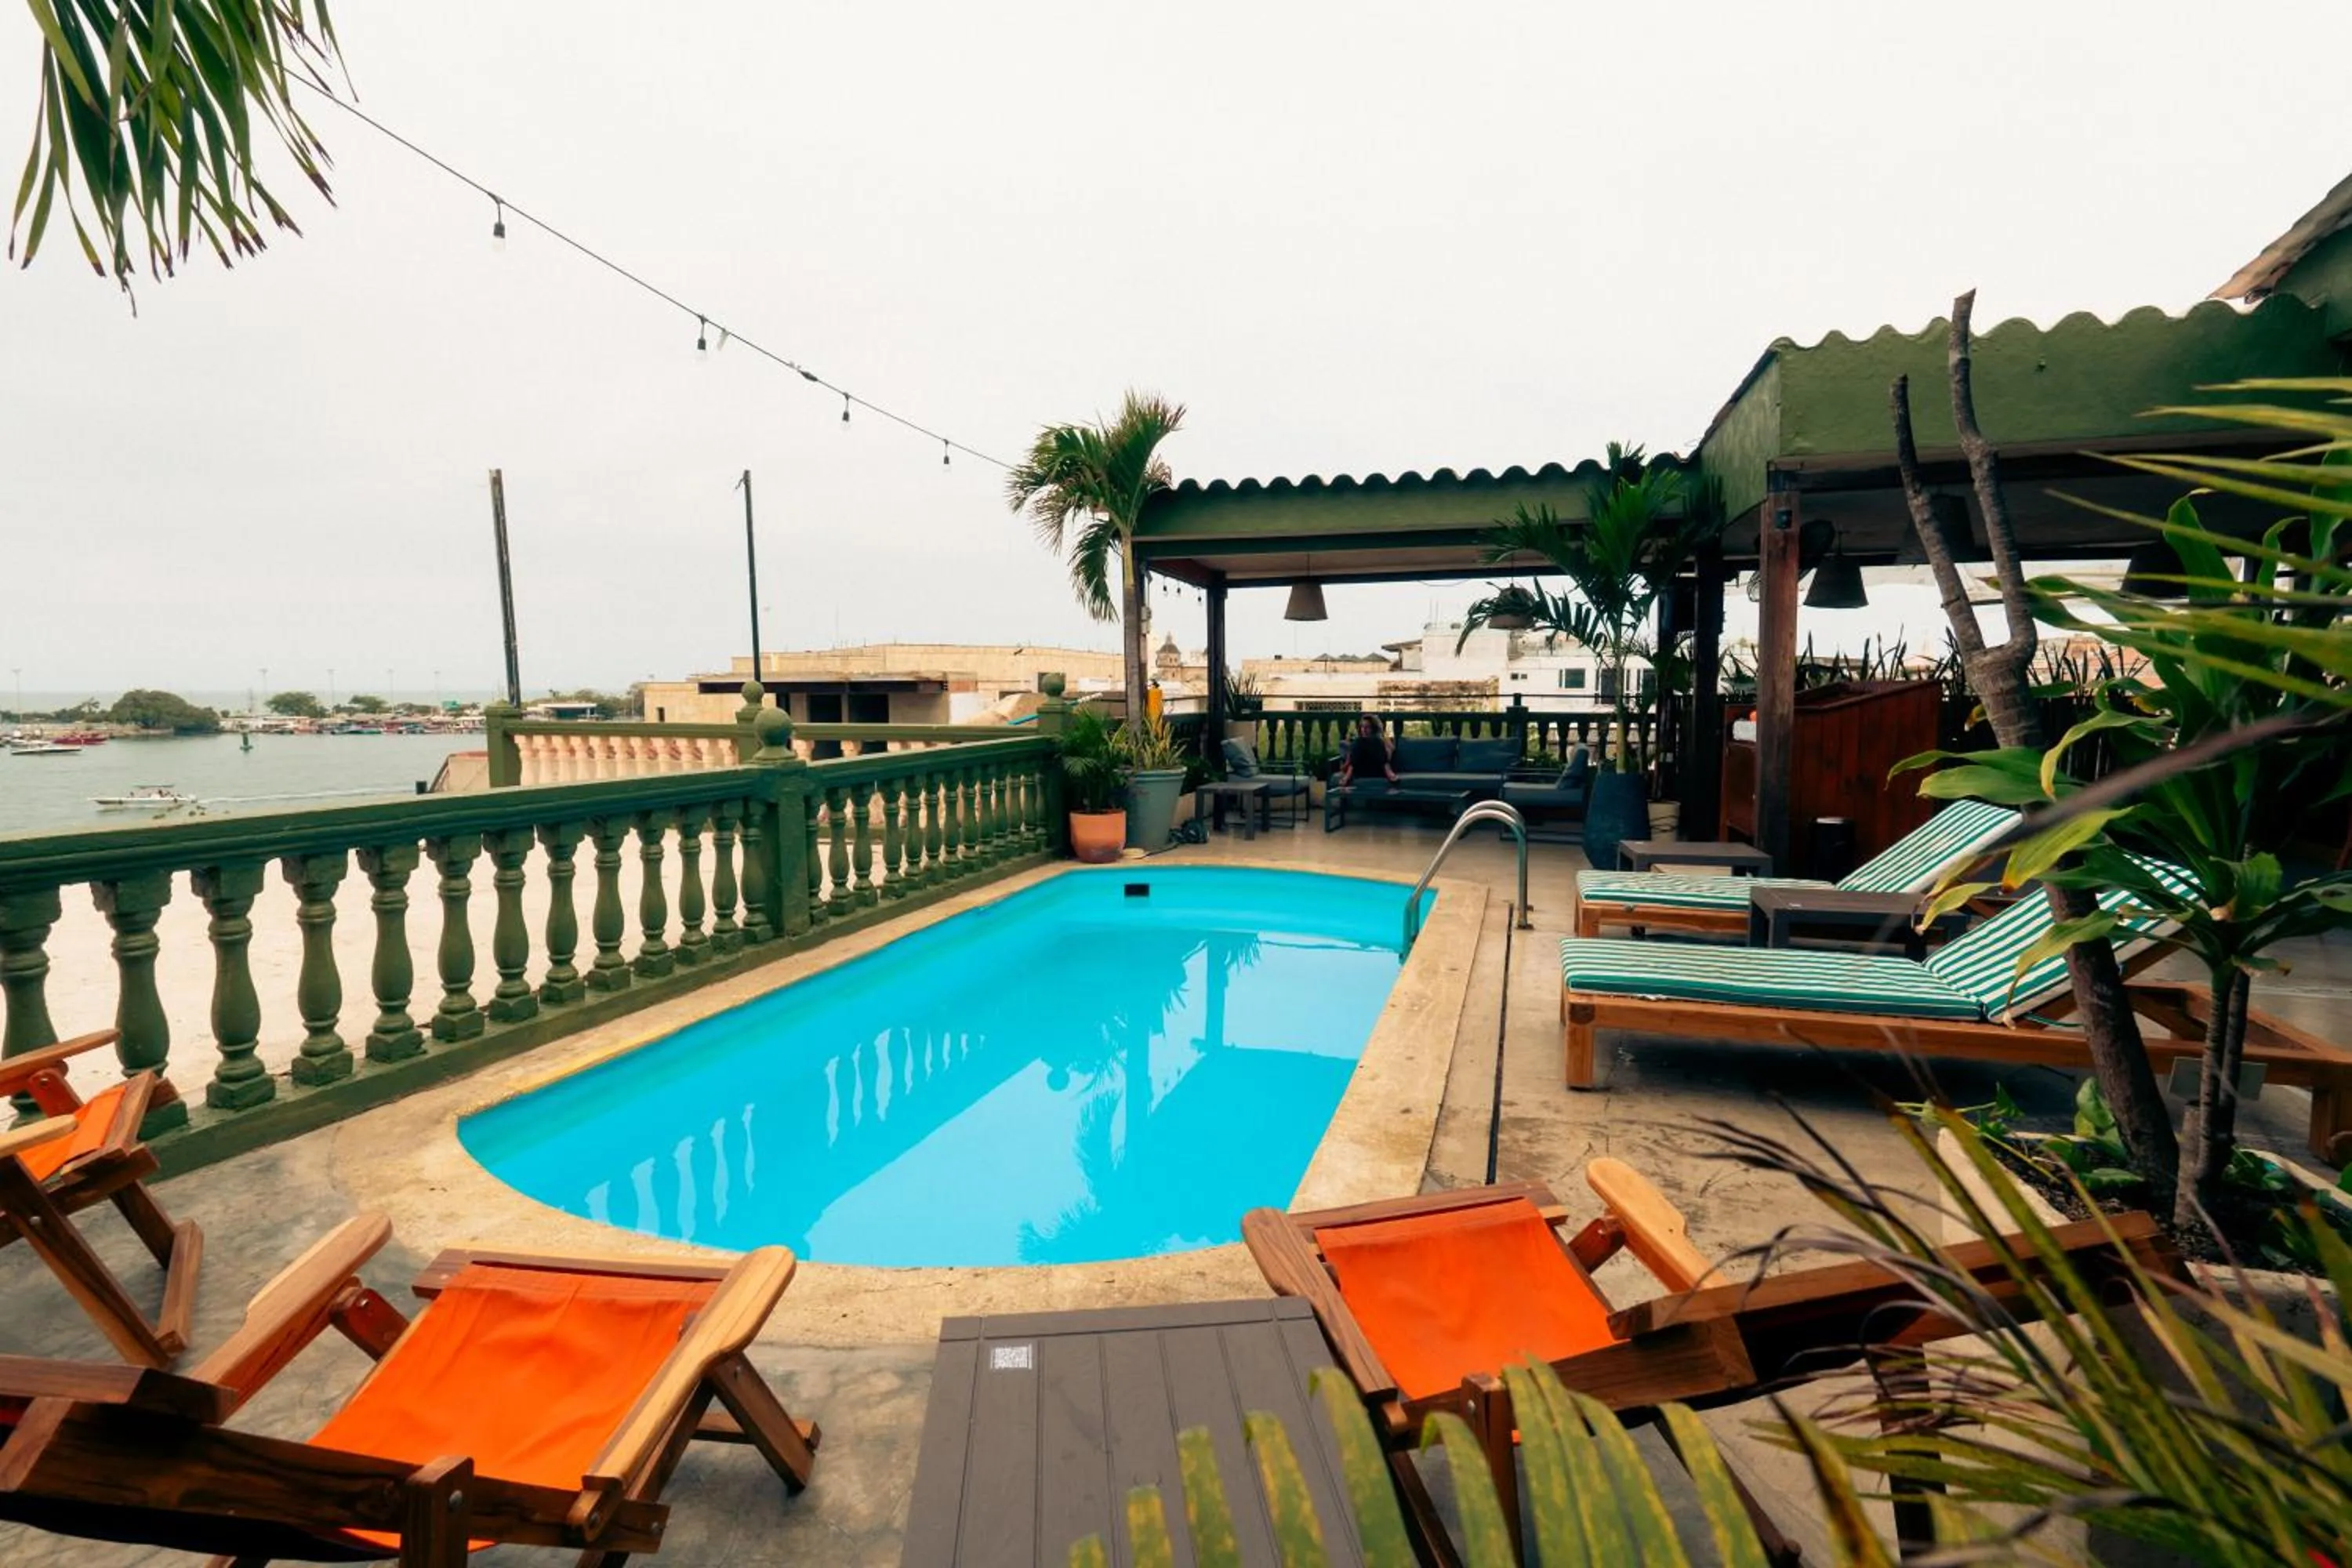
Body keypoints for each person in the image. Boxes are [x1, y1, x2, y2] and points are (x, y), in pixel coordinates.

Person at [1337, 715, 1397, 787]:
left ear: (1373, 728)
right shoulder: (1358, 742)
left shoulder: (1381, 740)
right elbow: (1348, 761)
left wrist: (1383, 742)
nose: (1364, 730)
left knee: (1376, 741)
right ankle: (1348, 775)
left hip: (1378, 770)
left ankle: (1389, 772)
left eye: (1367, 727)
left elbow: (1392, 751)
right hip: (1360, 770)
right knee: (1359, 741)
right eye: (1362, 727)